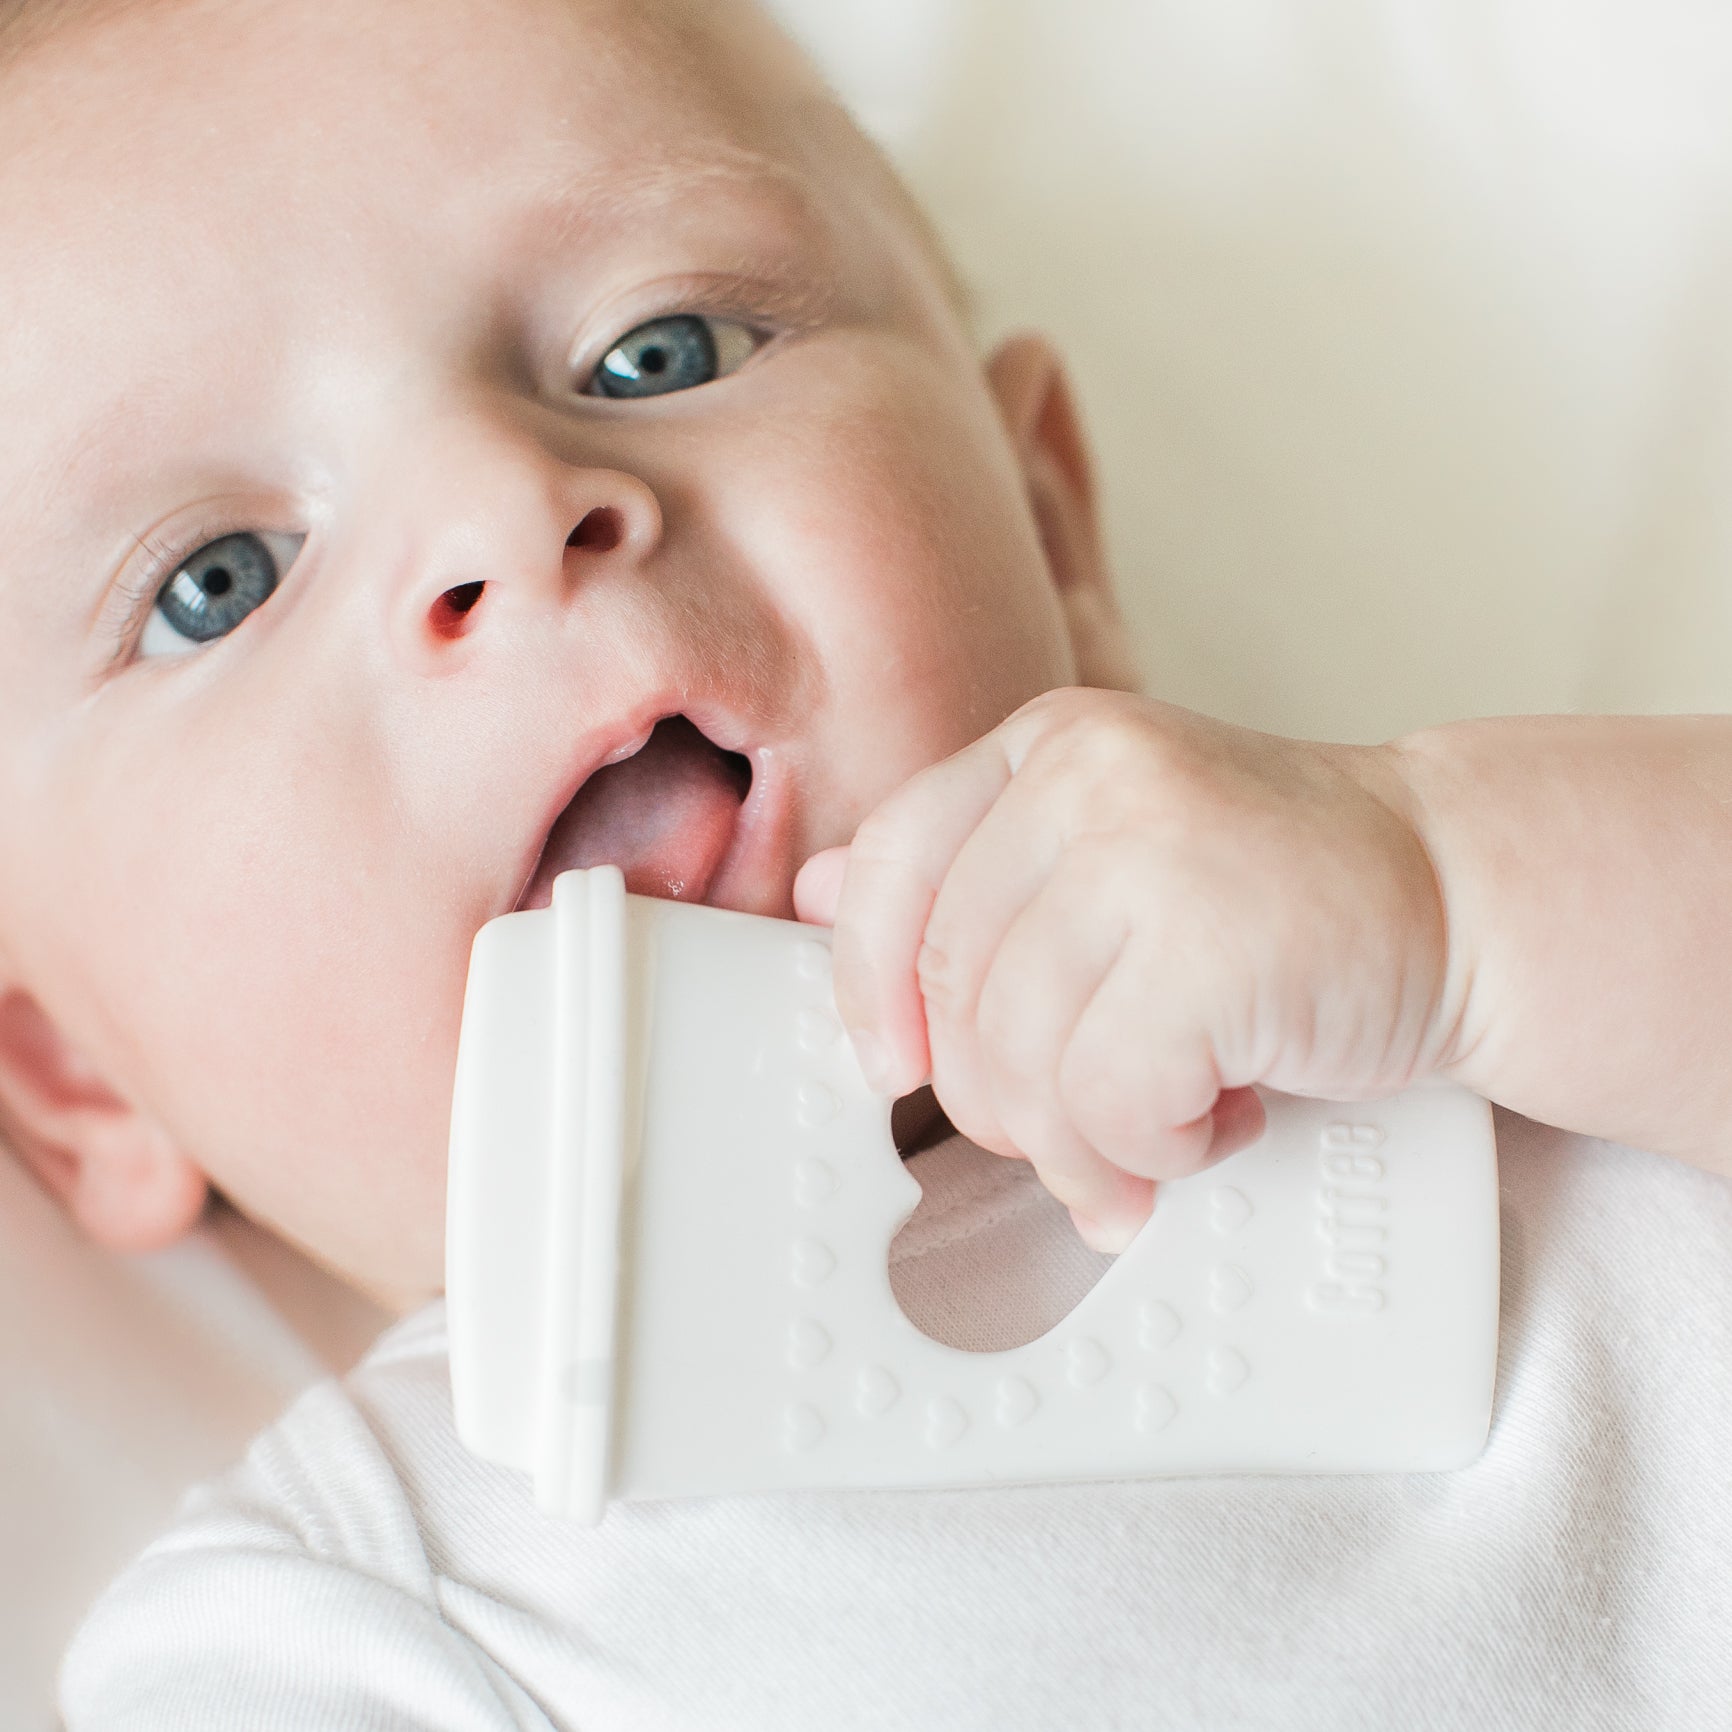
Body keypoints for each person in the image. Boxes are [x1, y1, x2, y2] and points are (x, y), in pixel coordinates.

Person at [0, 0, 1723, 1723]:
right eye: (214, 580)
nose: (503, 506)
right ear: (77, 1077)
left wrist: (1458, 890)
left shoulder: (1482, 974)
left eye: (659, 350)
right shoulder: (344, 1628)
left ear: (1048, 527)